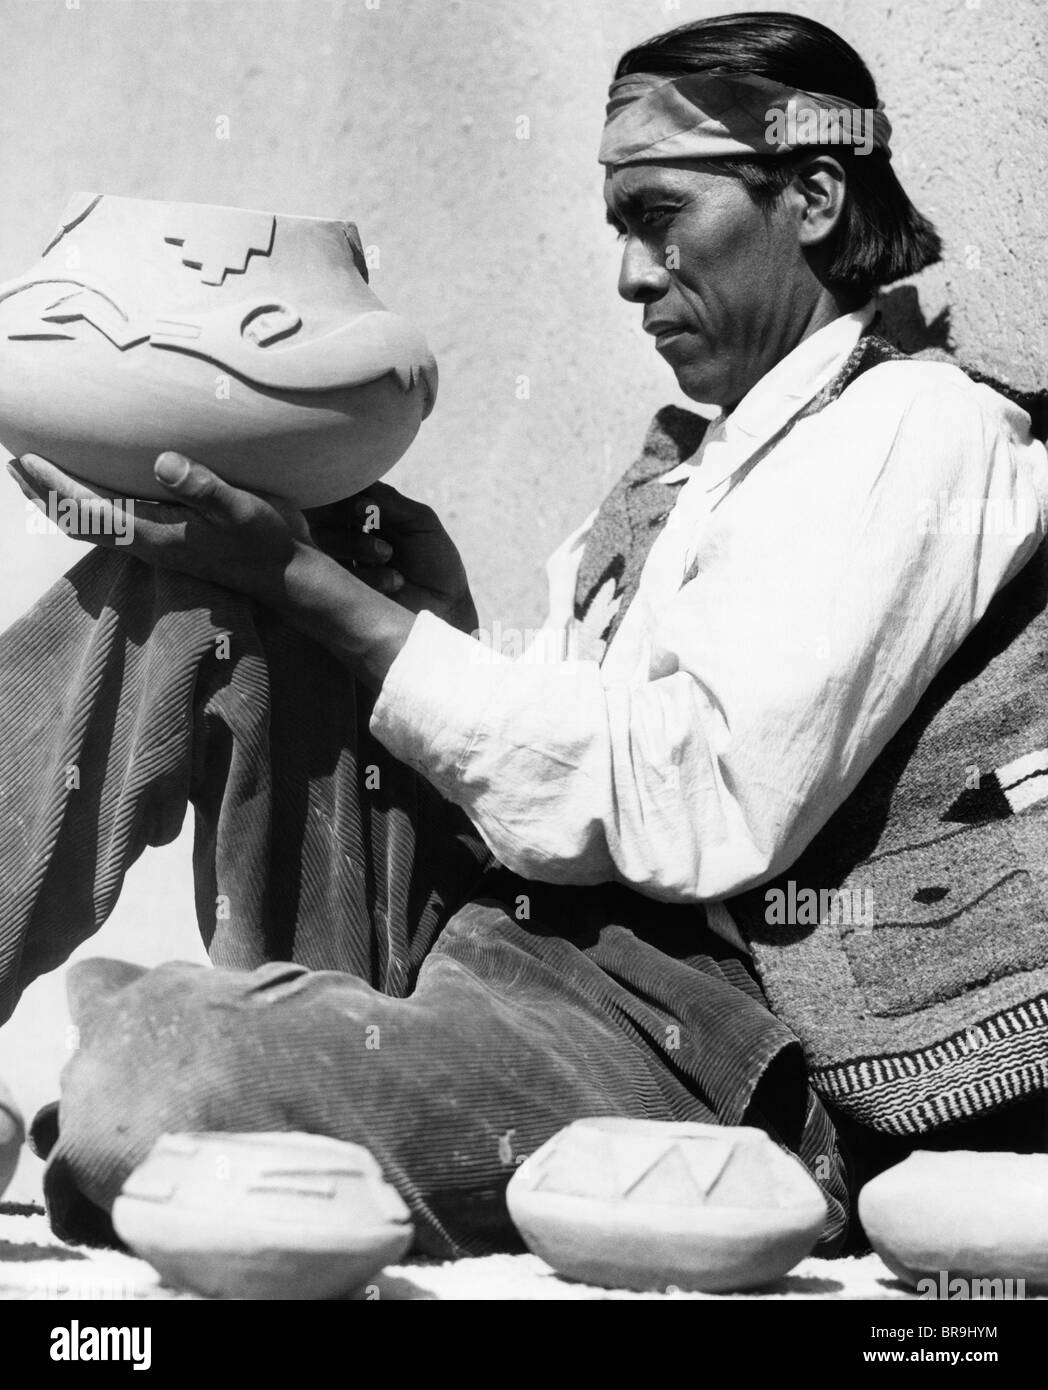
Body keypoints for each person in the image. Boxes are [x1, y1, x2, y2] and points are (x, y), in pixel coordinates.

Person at [3, 10, 1047, 1260]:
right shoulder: (692, 463)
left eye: (659, 217)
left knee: (161, 1091)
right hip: (501, 943)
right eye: (620, 228)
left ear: (814, 194)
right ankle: (189, 1049)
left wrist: (328, 593)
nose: (629, 275)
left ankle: (175, 1062)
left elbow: (696, 801)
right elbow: (551, 758)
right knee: (178, 588)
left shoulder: (919, 430)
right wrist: (393, 600)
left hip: (675, 1035)